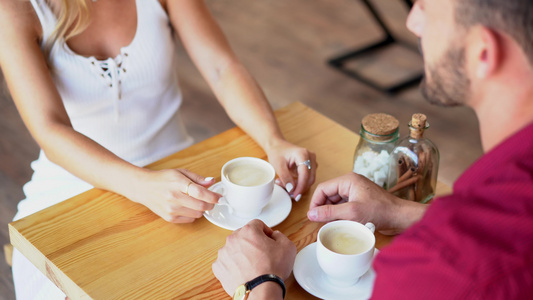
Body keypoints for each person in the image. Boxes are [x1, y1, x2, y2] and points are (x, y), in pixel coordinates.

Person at [213, 0, 533, 298]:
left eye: (425, 7)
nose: (412, 22)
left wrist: (258, 285)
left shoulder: (438, 270)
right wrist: (403, 213)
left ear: (483, 52)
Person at [0, 0, 317, 298]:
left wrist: (273, 140)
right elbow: (50, 128)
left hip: (181, 175)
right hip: (72, 186)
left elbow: (222, 67)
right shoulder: (15, 9)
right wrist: (142, 185)